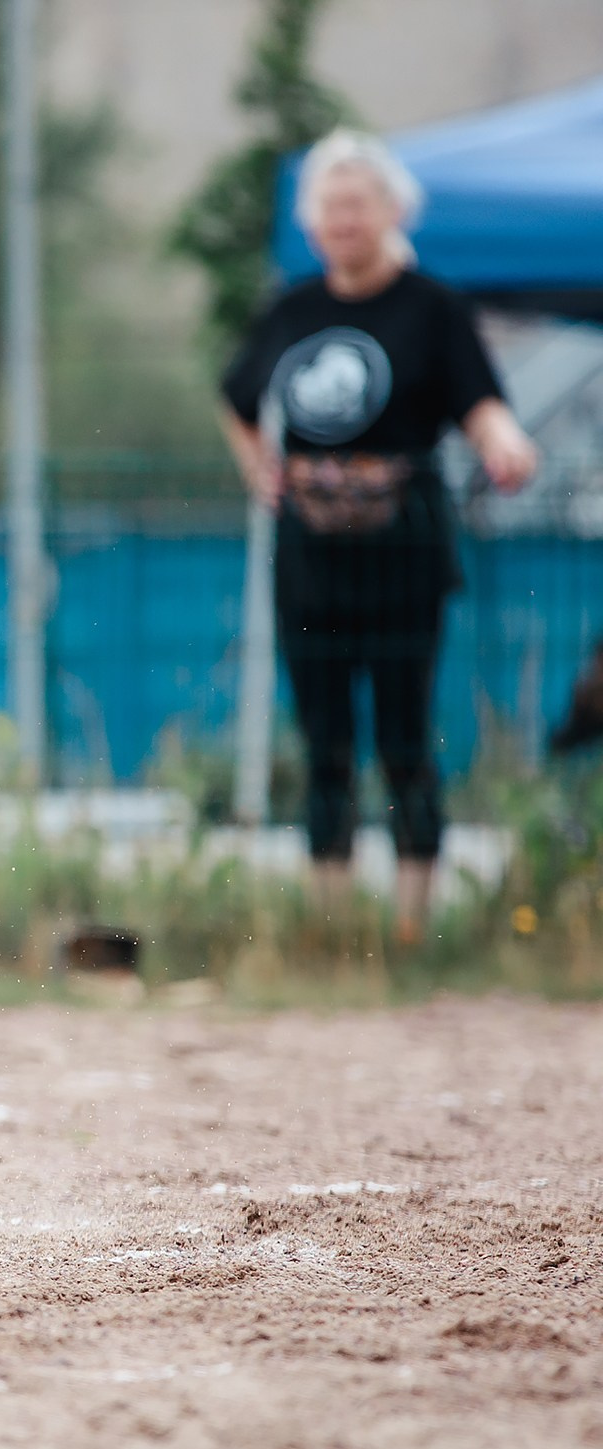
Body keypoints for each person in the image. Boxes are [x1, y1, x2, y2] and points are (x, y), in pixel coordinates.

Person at [220, 129, 540, 944]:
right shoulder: (293, 310)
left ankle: (407, 931)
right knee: (325, 741)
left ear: (393, 211)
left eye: (358, 204)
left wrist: (504, 443)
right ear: (312, 221)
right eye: (330, 207)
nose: (344, 220)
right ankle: (332, 931)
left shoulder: (432, 307)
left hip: (404, 547)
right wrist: (260, 467)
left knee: (405, 736)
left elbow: (481, 402)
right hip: (312, 556)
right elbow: (237, 397)